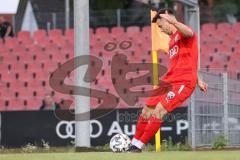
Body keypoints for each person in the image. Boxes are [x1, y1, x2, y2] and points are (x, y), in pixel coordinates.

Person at [128, 8, 208, 152]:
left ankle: (137, 147)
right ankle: (133, 143)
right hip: (169, 81)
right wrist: (199, 80)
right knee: (146, 110)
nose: (161, 30)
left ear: (168, 20)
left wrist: (174, 21)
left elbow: (189, 33)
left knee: (159, 110)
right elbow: (192, 61)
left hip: (183, 83)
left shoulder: (184, 34)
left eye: (160, 26)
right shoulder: (171, 41)